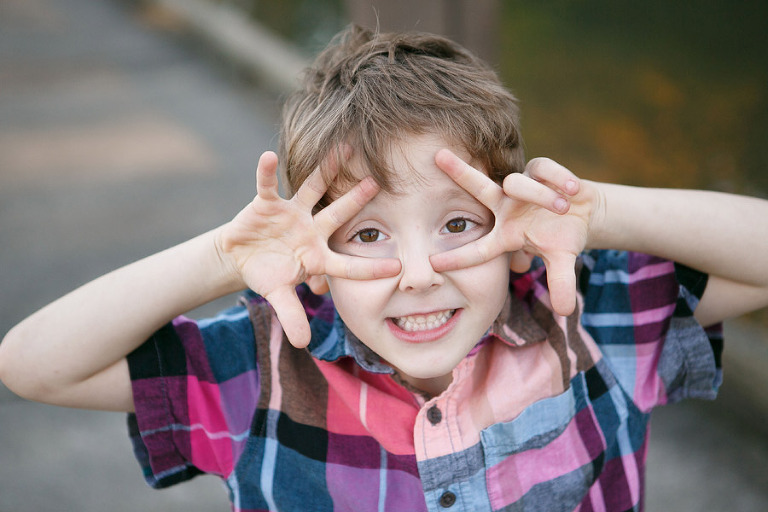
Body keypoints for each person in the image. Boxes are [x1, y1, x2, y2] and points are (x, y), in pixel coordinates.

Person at [1, 24, 767, 512]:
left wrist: (599, 212)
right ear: (315, 262)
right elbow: (35, 366)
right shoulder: (262, 366)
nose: (418, 272)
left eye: (459, 223)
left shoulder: (588, 317)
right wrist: (222, 260)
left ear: (515, 225)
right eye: (366, 235)